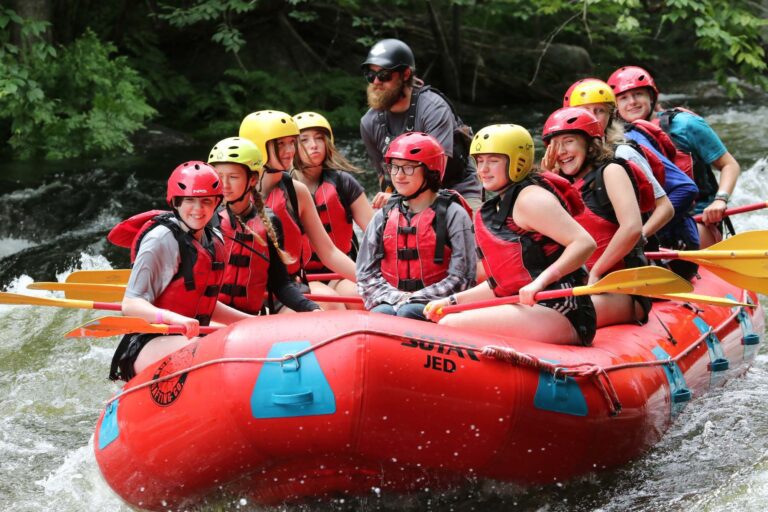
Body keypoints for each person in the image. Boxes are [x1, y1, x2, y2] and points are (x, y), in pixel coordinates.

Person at [425, 124, 597, 346]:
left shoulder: (530, 199)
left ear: (518, 162)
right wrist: (452, 300)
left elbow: (584, 243)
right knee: (447, 315)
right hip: (533, 307)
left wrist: (540, 283)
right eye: (479, 161)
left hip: (563, 309)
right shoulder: (499, 205)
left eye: (493, 161)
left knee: (451, 325)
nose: (483, 169)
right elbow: (503, 282)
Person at [109, 161, 253, 381]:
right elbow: (130, 304)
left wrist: (250, 322)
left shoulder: (214, 239)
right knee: (203, 347)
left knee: (236, 339)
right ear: (176, 202)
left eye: (206, 201)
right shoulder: (160, 240)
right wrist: (172, 318)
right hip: (146, 343)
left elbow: (205, 303)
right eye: (190, 201)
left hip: (188, 336)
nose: (198, 209)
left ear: (217, 203)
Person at [607, 65, 740, 248]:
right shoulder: (616, 139)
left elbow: (729, 165)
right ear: (615, 107)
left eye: (638, 94)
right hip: (652, 223)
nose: (632, 102)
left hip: (698, 219)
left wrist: (720, 200)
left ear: (651, 97)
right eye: (623, 98)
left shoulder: (685, 124)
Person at [541, 107, 650, 327]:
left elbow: (632, 227)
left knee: (557, 319)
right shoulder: (555, 184)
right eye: (555, 145)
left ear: (590, 143)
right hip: (577, 287)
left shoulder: (611, 172)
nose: (561, 151)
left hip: (622, 289)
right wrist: (547, 179)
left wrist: (597, 272)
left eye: (569, 141)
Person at [239, 110, 357, 311]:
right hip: (248, 293)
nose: (290, 150)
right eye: (280, 144)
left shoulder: (296, 191)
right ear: (259, 146)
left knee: (342, 304)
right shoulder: (236, 190)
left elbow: (328, 252)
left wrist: (375, 282)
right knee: (329, 306)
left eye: (292, 142)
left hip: (288, 289)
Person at [356, 132, 476, 321]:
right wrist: (397, 298)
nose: (399, 175)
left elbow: (462, 278)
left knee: (408, 312)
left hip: (437, 304)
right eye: (394, 167)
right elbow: (365, 274)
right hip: (391, 300)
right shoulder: (384, 216)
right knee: (383, 314)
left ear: (431, 171)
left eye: (409, 168)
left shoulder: (454, 215)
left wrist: (415, 299)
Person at [359, 38, 483, 211]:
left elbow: (436, 175)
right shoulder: (368, 122)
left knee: (468, 230)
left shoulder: (434, 109)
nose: (376, 82)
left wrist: (398, 199)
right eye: (371, 75)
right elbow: (385, 177)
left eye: (384, 75)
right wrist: (390, 207)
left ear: (406, 74)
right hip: (405, 195)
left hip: (457, 191)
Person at [207, 136, 320, 315]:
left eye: (233, 177)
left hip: (251, 319)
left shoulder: (270, 222)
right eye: (219, 177)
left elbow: (280, 284)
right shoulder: (207, 220)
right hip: (213, 317)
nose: (225, 185)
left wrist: (311, 307)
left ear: (252, 179)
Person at [563, 78, 674, 239]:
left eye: (600, 110)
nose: (593, 117)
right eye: (585, 110)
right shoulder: (564, 156)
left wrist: (637, 237)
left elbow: (665, 208)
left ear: (611, 115)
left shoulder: (624, 153)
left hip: (625, 247)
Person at [292, 111, 373, 302]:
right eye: (304, 140)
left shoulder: (343, 183)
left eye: (319, 138)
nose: (314, 145)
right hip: (303, 276)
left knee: (357, 296)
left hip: (341, 269)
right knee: (328, 301)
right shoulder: (283, 189)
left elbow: (375, 232)